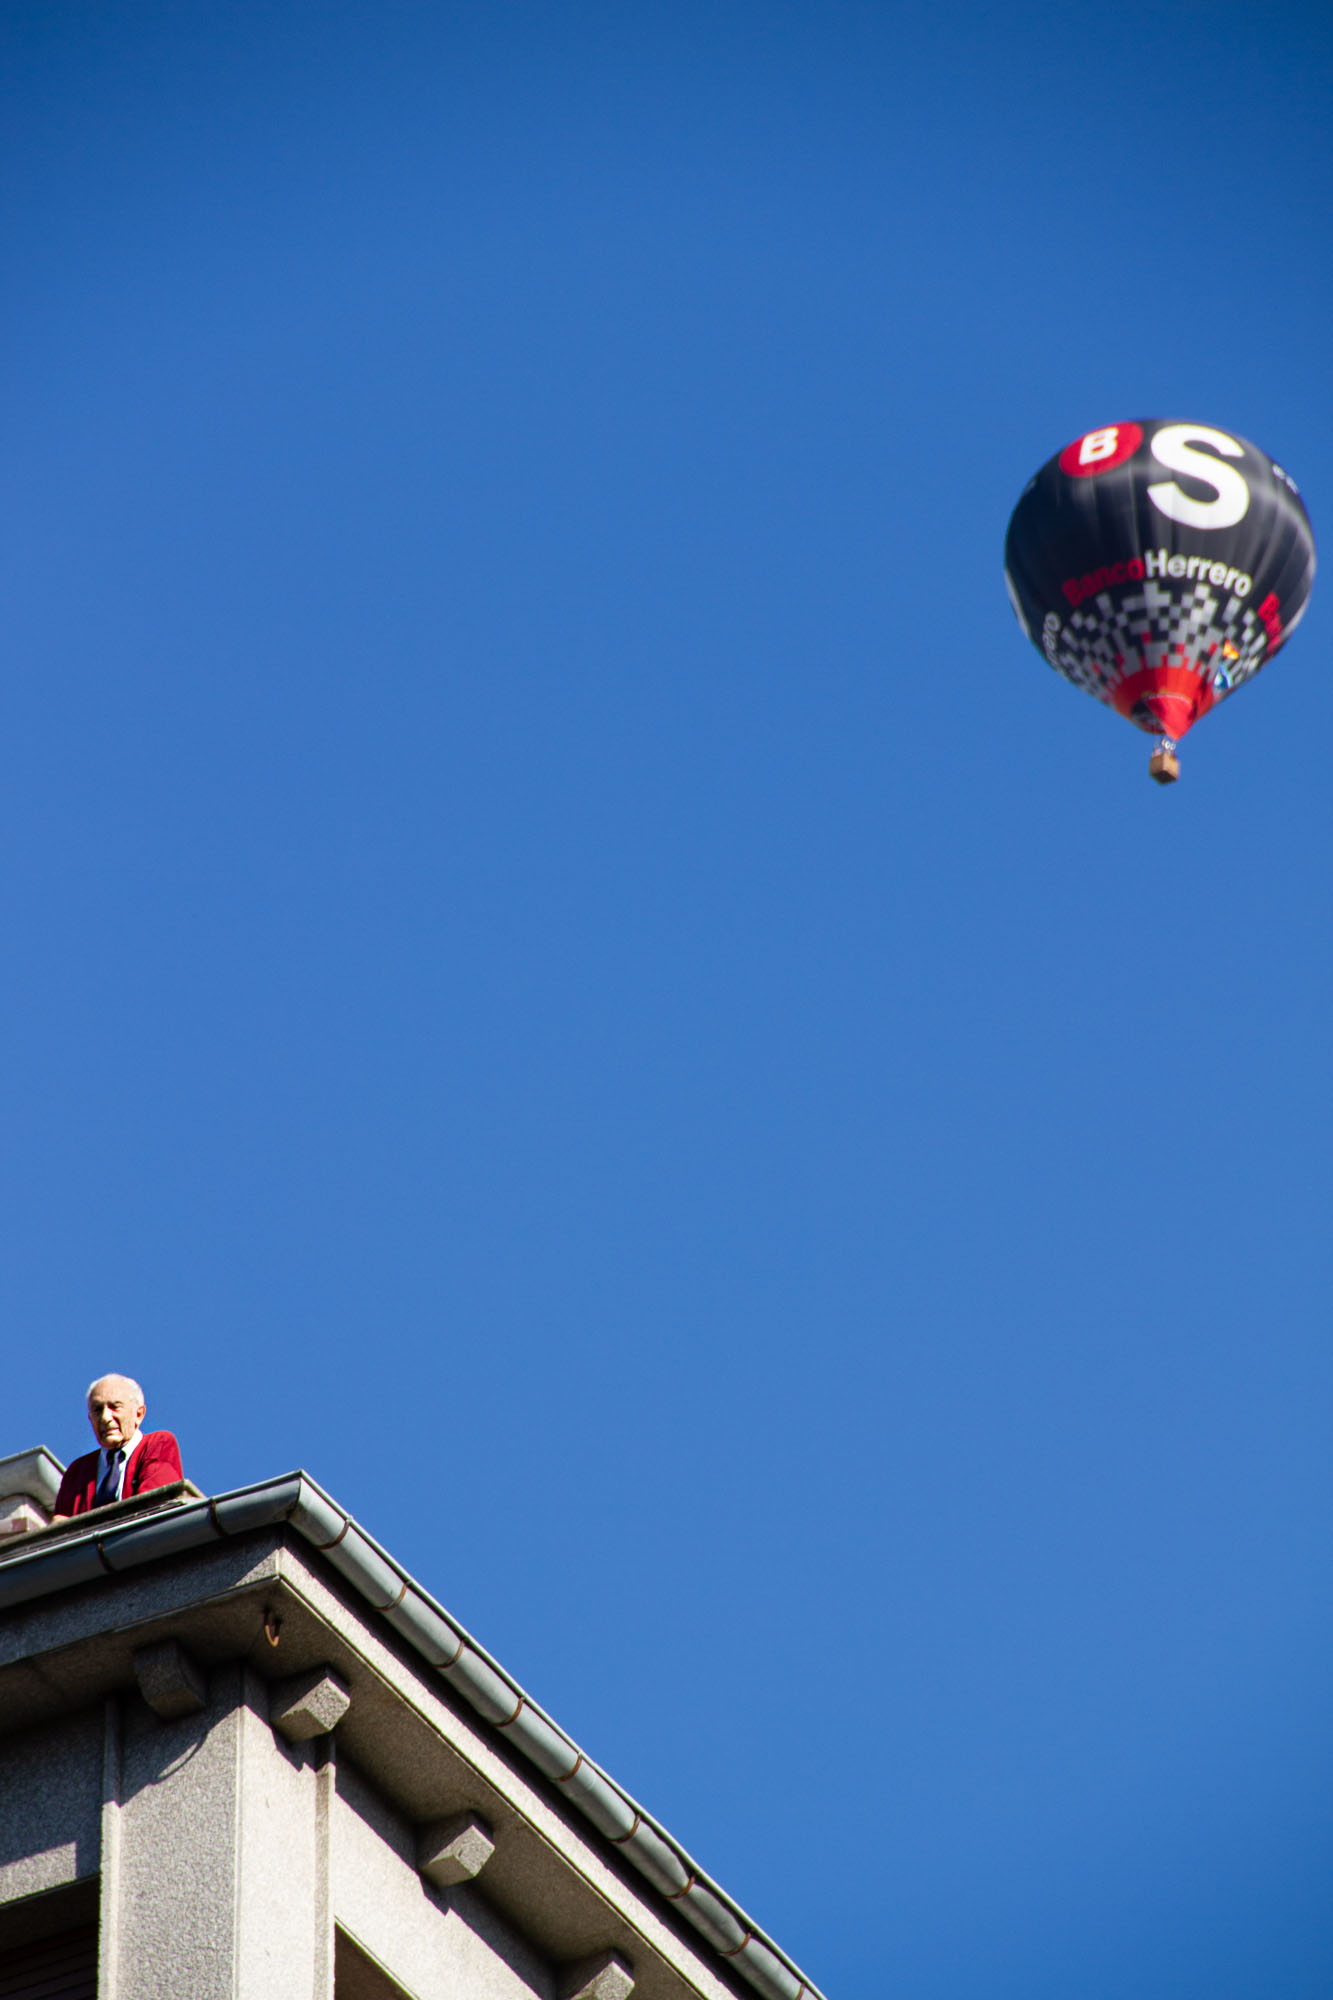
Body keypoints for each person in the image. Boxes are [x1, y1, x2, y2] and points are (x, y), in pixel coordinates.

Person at [52, 1375, 184, 1518]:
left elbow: (155, 1506)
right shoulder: (77, 1473)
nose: (105, 1418)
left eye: (114, 1407)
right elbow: (62, 1530)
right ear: (90, 1418)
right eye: (97, 1410)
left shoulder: (157, 1444)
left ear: (138, 1414)